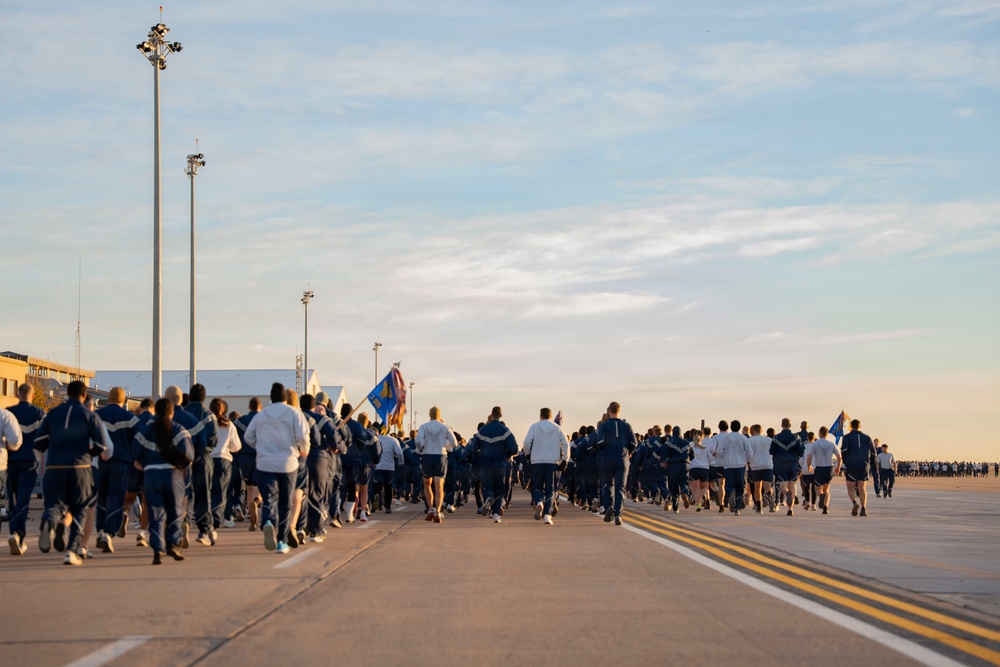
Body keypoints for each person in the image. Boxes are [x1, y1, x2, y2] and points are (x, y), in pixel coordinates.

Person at [34, 381, 109, 565]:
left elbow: (39, 442)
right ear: (84, 395)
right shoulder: (89, 415)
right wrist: (88, 453)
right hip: (80, 468)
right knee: (80, 508)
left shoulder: (53, 414)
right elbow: (101, 446)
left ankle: (49, 521)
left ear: (67, 393)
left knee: (54, 504)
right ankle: (71, 551)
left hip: (54, 468)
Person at [245, 383, 310, 554]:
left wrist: (259, 447)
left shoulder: (261, 414)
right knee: (285, 502)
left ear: (271, 397)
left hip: (265, 462)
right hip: (288, 462)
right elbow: (303, 436)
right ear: (285, 398)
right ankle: (281, 541)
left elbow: (248, 436)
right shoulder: (294, 413)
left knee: (269, 498)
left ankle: (267, 521)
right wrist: (303, 450)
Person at [131, 398, 194, 564]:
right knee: (175, 511)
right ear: (172, 413)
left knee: (156, 513)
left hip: (151, 476)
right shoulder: (179, 430)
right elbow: (189, 455)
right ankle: (173, 544)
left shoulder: (146, 430)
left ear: (155, 412)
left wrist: (144, 464)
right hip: (173, 476)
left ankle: (157, 549)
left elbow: (135, 453)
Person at [94, 387, 138, 554]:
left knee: (102, 497)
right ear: (124, 400)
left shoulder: (98, 416)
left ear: (109, 398)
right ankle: (109, 533)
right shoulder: (131, 418)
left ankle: (99, 529)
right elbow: (139, 440)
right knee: (116, 498)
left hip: (101, 462)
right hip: (122, 464)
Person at [590, 402, 637, 526]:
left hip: (607, 459)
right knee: (620, 488)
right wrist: (629, 453)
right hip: (622, 459)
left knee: (607, 484)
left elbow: (599, 441)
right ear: (619, 411)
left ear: (608, 411)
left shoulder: (604, 425)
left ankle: (608, 506)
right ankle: (618, 514)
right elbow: (634, 443)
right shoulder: (626, 425)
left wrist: (604, 449)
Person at [5, 385, 38, 555]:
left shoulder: (8, 412)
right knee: (23, 500)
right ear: (32, 395)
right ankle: (19, 535)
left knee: (12, 499)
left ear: (18, 394)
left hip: (10, 461)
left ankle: (13, 532)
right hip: (29, 461)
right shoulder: (39, 414)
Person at [471, 407, 519, 523]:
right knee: (499, 489)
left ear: (491, 415)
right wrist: (505, 455)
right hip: (500, 464)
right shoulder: (505, 430)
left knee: (487, 486)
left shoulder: (483, 430)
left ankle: (488, 497)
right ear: (500, 416)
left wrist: (480, 455)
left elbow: (473, 448)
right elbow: (514, 449)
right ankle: (496, 514)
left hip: (486, 463)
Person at [523, 407, 570, 525]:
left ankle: (539, 502)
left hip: (537, 461)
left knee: (536, 486)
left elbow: (526, 443)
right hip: (553, 462)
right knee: (551, 489)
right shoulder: (557, 428)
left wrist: (528, 454)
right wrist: (565, 460)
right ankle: (547, 515)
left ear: (540, 416)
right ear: (550, 416)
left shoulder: (534, 427)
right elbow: (566, 444)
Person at [185, 384, 218, 546]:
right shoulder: (209, 415)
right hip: (203, 457)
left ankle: (184, 522)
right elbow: (213, 439)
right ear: (204, 397)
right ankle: (203, 530)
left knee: (185, 494)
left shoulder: (182, 413)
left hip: (183, 458)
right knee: (204, 494)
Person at [339, 405, 381, 523]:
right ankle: (362, 511)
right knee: (364, 489)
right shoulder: (371, 434)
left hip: (347, 459)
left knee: (349, 486)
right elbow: (377, 450)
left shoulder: (338, 423)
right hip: (364, 464)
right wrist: (375, 461)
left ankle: (351, 509)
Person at [415, 406, 458, 523]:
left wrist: (421, 449)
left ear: (430, 414)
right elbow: (454, 442)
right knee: (439, 486)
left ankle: (431, 508)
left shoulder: (423, 426)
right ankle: (438, 511)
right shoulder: (445, 426)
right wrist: (446, 447)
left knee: (427, 484)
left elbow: (418, 441)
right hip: (440, 456)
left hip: (427, 456)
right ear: (439, 415)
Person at [209, 398, 241, 542]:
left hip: (208, 459)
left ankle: (204, 519)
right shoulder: (229, 425)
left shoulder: (207, 422)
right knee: (221, 493)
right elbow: (236, 446)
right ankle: (215, 521)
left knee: (207, 492)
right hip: (223, 459)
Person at [713, 420, 753, 516]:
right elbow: (750, 452)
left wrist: (723, 457)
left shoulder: (725, 438)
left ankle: (731, 492)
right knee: (740, 486)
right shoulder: (743, 438)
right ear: (739, 427)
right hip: (740, 465)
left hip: (728, 465)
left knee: (729, 484)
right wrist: (748, 461)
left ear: (731, 427)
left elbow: (719, 451)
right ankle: (737, 508)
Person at [233, 398, 261, 530]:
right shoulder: (264, 420)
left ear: (249, 406)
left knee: (249, 487)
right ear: (260, 407)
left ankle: (251, 517)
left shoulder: (240, 421)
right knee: (261, 487)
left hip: (244, 458)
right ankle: (257, 502)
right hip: (261, 456)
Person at [841, 419, 877, 517]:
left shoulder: (847, 437)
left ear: (851, 426)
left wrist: (845, 461)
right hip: (864, 465)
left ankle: (854, 502)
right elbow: (873, 453)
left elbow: (844, 450)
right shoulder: (867, 438)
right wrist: (871, 463)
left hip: (851, 465)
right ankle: (864, 508)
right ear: (860, 426)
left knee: (850, 487)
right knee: (862, 488)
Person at [770, 418, 804, 517]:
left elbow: (771, 452)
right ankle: (791, 509)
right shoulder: (796, 437)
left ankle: (787, 493)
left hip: (781, 464)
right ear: (790, 425)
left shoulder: (776, 437)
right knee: (792, 484)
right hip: (793, 463)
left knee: (782, 487)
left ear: (782, 425)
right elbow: (801, 452)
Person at [805, 426, 841, 514]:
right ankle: (826, 507)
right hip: (829, 468)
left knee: (818, 488)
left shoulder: (815, 444)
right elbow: (839, 457)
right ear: (827, 434)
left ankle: (821, 495)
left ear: (819, 433)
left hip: (820, 468)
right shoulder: (831, 444)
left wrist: (809, 466)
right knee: (827, 490)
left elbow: (809, 457)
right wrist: (838, 468)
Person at [658, 425, 692, 513]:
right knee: (684, 482)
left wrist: (662, 461)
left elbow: (664, 452)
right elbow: (692, 456)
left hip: (673, 466)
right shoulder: (687, 443)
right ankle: (685, 493)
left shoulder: (669, 442)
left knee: (673, 486)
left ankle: (675, 506)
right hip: (685, 465)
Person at [373, 425, 404, 514]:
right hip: (389, 467)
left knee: (377, 485)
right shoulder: (393, 440)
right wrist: (401, 462)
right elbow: (399, 453)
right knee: (388, 486)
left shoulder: (376, 439)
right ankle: (388, 506)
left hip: (377, 466)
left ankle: (376, 500)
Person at [747, 424, 774, 513]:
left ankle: (759, 507)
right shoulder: (769, 440)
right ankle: (769, 500)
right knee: (767, 487)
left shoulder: (750, 440)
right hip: (767, 465)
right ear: (762, 430)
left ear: (753, 431)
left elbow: (748, 453)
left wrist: (749, 462)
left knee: (757, 487)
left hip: (755, 466)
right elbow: (773, 452)